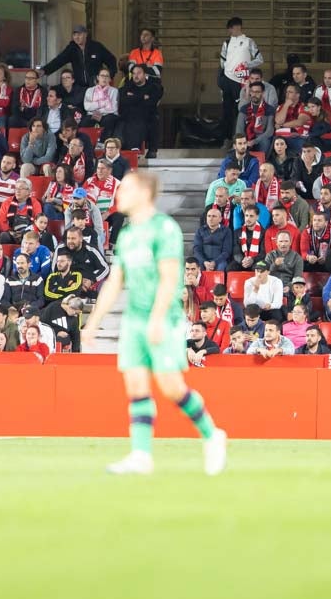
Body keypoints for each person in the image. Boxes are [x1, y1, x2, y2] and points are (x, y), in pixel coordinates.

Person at [81, 171, 227, 476]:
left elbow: (170, 278)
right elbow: (115, 281)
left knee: (171, 387)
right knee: (135, 385)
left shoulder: (165, 228)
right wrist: (93, 321)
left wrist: (158, 319)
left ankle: (212, 435)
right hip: (134, 318)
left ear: (144, 193)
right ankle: (141, 455)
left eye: (126, 188)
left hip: (165, 318)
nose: (119, 193)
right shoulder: (127, 234)